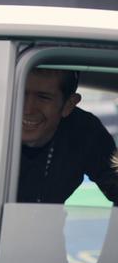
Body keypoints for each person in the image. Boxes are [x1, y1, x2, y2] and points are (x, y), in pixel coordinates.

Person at [18, 68, 118, 204]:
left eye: (43, 98)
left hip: (47, 224)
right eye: (20, 94)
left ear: (68, 105)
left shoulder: (84, 131)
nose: (28, 109)